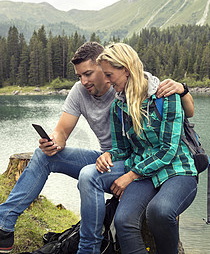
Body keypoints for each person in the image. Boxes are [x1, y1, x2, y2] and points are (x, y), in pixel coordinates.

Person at [0, 41, 194, 253]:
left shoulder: (136, 88)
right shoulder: (91, 95)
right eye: (79, 76)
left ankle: (89, 246)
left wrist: (183, 89)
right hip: (113, 158)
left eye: (89, 73)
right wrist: (54, 142)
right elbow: (63, 130)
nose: (84, 81)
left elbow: (185, 113)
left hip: (133, 163)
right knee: (44, 156)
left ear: (105, 66)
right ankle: (1, 228)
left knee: (93, 178)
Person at [77, 43, 198, 254]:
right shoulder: (118, 106)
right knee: (124, 221)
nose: (105, 80)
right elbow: (122, 150)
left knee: (160, 211)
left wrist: (131, 175)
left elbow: (168, 149)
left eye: (109, 74)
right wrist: (108, 155)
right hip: (145, 175)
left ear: (126, 69)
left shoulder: (165, 96)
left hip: (177, 170)